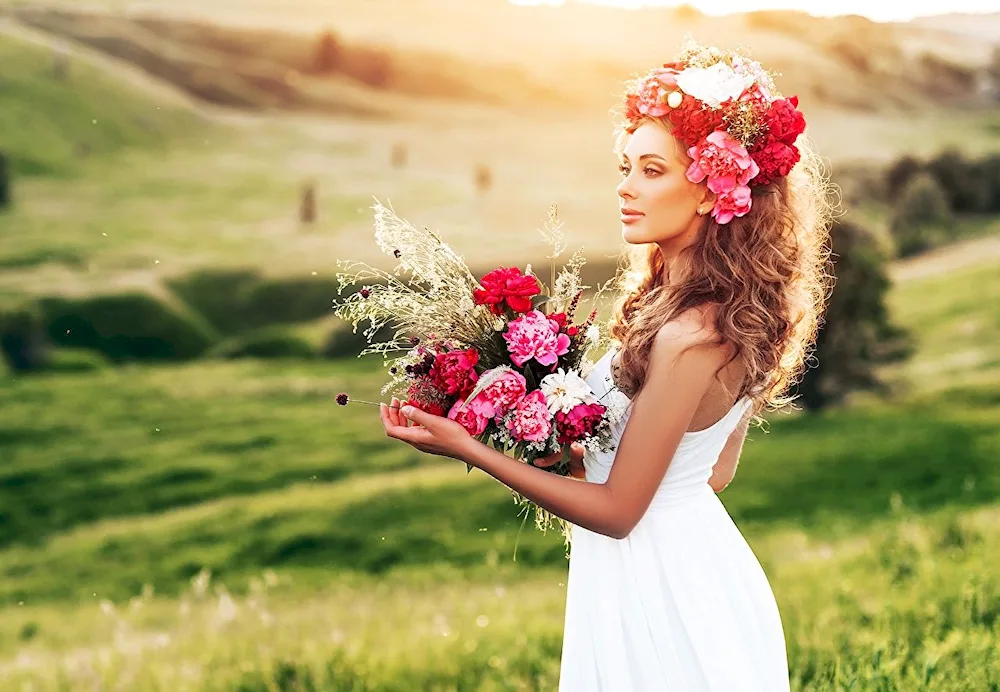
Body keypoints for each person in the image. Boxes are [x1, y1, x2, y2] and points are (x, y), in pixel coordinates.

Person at [380, 40, 833, 691]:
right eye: (624, 166)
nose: (625, 186)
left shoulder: (691, 333)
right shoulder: (710, 306)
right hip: (679, 566)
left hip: (669, 597)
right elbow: (710, 472)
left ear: (713, 191)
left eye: (651, 169)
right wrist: (535, 440)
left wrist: (471, 452)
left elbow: (620, 510)